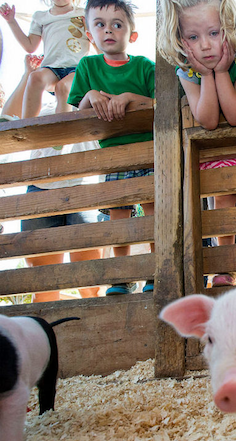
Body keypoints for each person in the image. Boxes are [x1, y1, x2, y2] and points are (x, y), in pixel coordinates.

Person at [158, 0, 236, 287]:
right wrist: (207, 75)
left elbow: (235, 115)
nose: (206, 46)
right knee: (220, 201)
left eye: (214, 33)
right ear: (181, 40)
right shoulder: (187, 72)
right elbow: (207, 119)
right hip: (216, 153)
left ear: (229, 29)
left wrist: (221, 71)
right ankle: (226, 265)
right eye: (194, 38)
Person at [68, 0, 155, 295]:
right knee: (118, 216)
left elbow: (161, 103)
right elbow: (78, 113)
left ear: (132, 34)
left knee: (154, 212)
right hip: (113, 156)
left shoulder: (145, 66)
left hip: (149, 151)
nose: (108, 30)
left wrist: (130, 97)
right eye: (100, 24)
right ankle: (121, 276)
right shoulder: (88, 67)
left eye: (117, 24)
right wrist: (90, 95)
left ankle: (157, 271)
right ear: (90, 34)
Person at [2, 55, 105, 303]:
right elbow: (9, 115)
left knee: (89, 282)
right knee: (44, 285)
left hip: (84, 187)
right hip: (41, 190)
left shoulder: (91, 94)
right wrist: (29, 73)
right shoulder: (40, 102)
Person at [0, 0, 90, 118]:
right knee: (35, 77)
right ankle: (28, 126)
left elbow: (97, 39)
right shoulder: (41, 17)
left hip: (77, 69)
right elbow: (30, 46)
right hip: (52, 69)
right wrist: (11, 21)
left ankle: (62, 129)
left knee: (62, 88)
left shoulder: (83, 14)